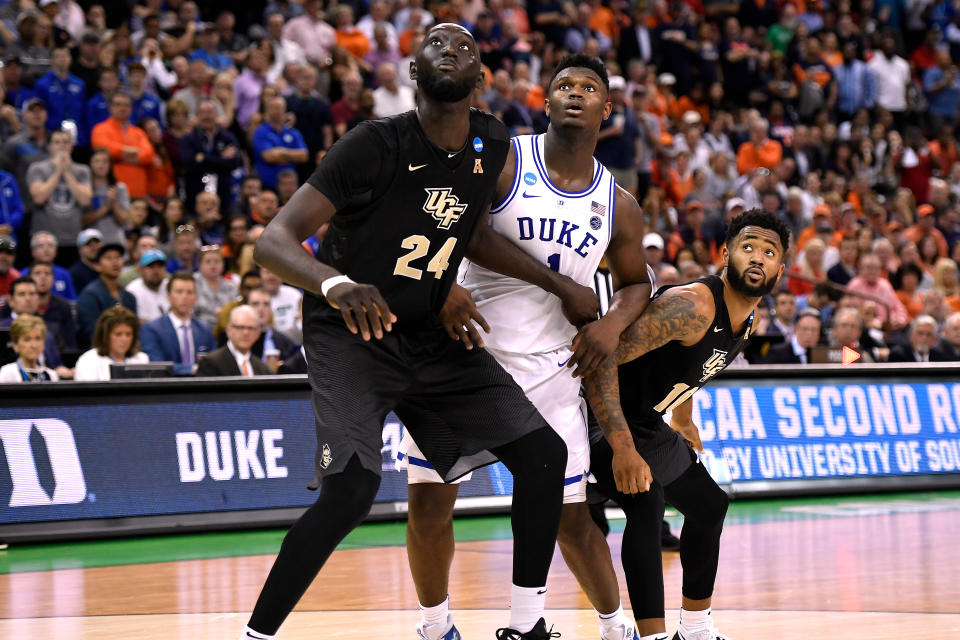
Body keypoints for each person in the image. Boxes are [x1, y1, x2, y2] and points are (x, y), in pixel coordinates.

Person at [243, 23, 576, 640]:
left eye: (465, 47)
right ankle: (256, 634)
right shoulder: (371, 145)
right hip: (352, 331)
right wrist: (335, 283)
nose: (451, 51)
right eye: (436, 45)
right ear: (414, 73)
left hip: (427, 332)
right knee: (353, 488)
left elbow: (471, 235)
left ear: (481, 78)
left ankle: (527, 626)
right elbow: (272, 241)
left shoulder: (492, 140)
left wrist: (560, 285)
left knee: (543, 455)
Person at [398, 53, 652, 640]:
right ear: (545, 101)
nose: (574, 93)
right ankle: (435, 628)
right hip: (467, 353)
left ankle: (614, 628)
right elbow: (466, 229)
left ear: (606, 109)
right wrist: (561, 285)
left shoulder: (619, 202)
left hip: (552, 370)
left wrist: (611, 325)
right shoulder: (508, 157)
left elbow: (637, 283)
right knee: (430, 504)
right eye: (563, 84)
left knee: (572, 520)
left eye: (589, 87)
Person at [584, 209, 791, 640]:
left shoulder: (747, 318)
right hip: (598, 415)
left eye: (768, 252)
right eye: (747, 247)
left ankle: (694, 628)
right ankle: (652, 635)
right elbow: (599, 361)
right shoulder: (691, 305)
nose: (757, 258)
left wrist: (683, 417)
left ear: (780, 269)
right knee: (646, 506)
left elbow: (692, 365)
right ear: (724, 254)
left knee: (709, 506)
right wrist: (621, 446)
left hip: (645, 420)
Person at [26, 129, 93, 258]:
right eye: (57, 142)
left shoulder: (82, 170)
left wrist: (66, 172)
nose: (62, 145)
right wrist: (58, 172)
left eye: (65, 142)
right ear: (49, 146)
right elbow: (39, 198)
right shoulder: (37, 168)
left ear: (71, 147)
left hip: (73, 237)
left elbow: (85, 200)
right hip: (44, 239)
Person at [140, 271, 216, 375]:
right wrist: (192, 369)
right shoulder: (152, 329)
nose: (184, 297)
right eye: (179, 292)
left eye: (189, 292)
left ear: (195, 298)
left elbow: (213, 363)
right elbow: (157, 365)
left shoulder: (205, 330)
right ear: (168, 296)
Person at [76, 242, 138, 346]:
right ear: (98, 266)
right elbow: (91, 332)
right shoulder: (90, 295)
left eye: (118, 258)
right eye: (108, 258)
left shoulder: (129, 297)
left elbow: (134, 329)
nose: (115, 262)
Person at [73, 305, 149, 380]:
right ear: (105, 335)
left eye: (128, 334)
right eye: (118, 334)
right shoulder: (88, 360)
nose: (124, 339)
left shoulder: (141, 359)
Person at [196, 304, 271, 376]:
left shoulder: (262, 368)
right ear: (228, 330)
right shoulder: (211, 363)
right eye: (240, 327)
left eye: (250, 328)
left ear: (258, 333)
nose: (246, 333)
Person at [26, 260, 77, 357]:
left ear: (53, 280)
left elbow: (70, 342)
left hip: (60, 359)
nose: (43, 277)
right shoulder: (23, 305)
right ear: (29, 279)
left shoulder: (64, 306)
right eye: (37, 273)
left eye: (47, 273)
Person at [0, 314, 59, 381]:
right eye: (27, 339)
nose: (33, 345)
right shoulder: (8, 373)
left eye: (38, 339)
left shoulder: (51, 375)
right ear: (15, 345)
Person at [193, 244, 237, 328]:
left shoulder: (231, 286)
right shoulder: (192, 283)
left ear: (223, 264)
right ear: (200, 265)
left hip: (225, 329)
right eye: (208, 261)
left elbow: (235, 310)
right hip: (198, 328)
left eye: (217, 261)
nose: (213, 265)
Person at [126, 248, 170, 323]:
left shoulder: (170, 286)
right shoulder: (132, 290)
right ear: (141, 269)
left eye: (160, 266)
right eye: (151, 266)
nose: (156, 271)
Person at [69, 229, 103, 293]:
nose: (94, 247)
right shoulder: (74, 273)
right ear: (79, 250)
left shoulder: (109, 268)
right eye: (88, 244)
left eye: (97, 242)